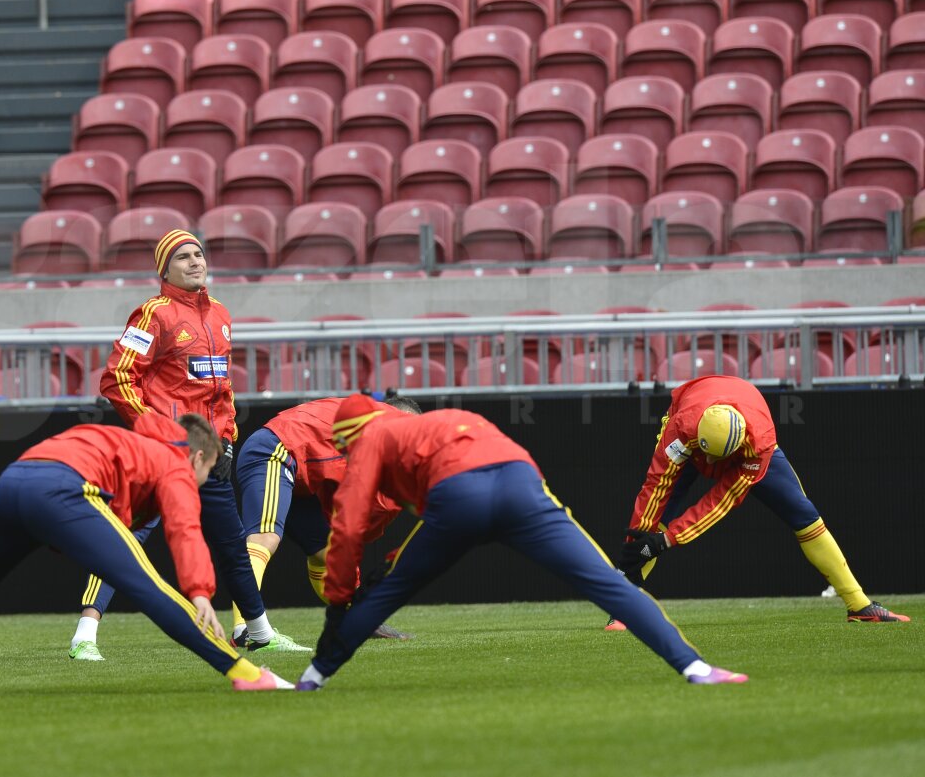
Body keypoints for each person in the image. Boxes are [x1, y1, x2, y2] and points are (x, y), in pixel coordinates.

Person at [294, 395, 749, 691]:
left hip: (458, 497)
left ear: (354, 433)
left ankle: (314, 678)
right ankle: (696, 669)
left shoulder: (370, 437)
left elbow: (348, 529)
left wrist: (339, 604)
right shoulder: (447, 418)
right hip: (520, 482)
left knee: (385, 591)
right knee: (609, 584)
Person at [0, 413, 292, 695]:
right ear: (198, 457)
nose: (199, 484)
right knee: (149, 586)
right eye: (203, 476)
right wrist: (201, 590)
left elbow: (106, 518)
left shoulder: (133, 444)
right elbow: (184, 528)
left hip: (14, 480)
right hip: (63, 487)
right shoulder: (175, 461)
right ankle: (245, 673)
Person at [68, 228, 306, 660]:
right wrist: (158, 433)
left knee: (233, 545)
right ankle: (85, 635)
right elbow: (117, 378)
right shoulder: (152, 315)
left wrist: (227, 437)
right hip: (162, 455)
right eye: (183, 257)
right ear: (165, 270)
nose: (196, 261)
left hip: (207, 456)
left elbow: (223, 389)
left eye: (199, 253)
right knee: (125, 540)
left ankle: (259, 631)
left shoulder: (220, 314)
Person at [606, 375, 909, 630]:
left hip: (747, 446)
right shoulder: (682, 428)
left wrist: (667, 541)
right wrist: (640, 538)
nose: (710, 464)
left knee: (804, 515)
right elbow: (656, 483)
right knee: (649, 523)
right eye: (706, 453)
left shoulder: (759, 444)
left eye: (717, 458)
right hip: (693, 416)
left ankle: (860, 605)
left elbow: (720, 501)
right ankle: (623, 606)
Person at [233, 394, 422, 641]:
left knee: (327, 551)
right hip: (276, 450)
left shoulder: (361, 436)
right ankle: (244, 630)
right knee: (264, 538)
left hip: (299, 472)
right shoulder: (392, 426)